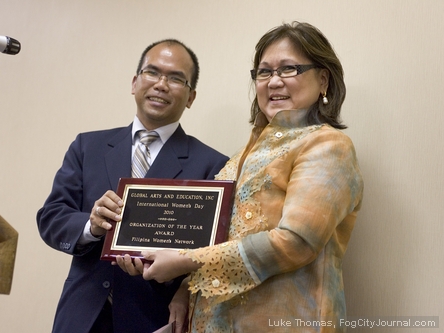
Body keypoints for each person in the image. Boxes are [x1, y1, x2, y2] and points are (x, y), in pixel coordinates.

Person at [118, 22, 364, 332]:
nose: (274, 82)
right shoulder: (238, 157)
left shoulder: (328, 145)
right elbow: (214, 240)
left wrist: (185, 262)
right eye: (264, 72)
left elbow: (296, 242)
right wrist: (184, 291)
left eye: (289, 69)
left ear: (323, 80)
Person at [36, 39, 229, 333]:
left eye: (176, 78)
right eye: (152, 72)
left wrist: (176, 278)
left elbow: (212, 256)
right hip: (81, 315)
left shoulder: (213, 165)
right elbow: (51, 217)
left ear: (191, 97)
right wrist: (92, 225)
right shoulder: (88, 147)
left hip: (154, 317)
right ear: (134, 82)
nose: (161, 84)